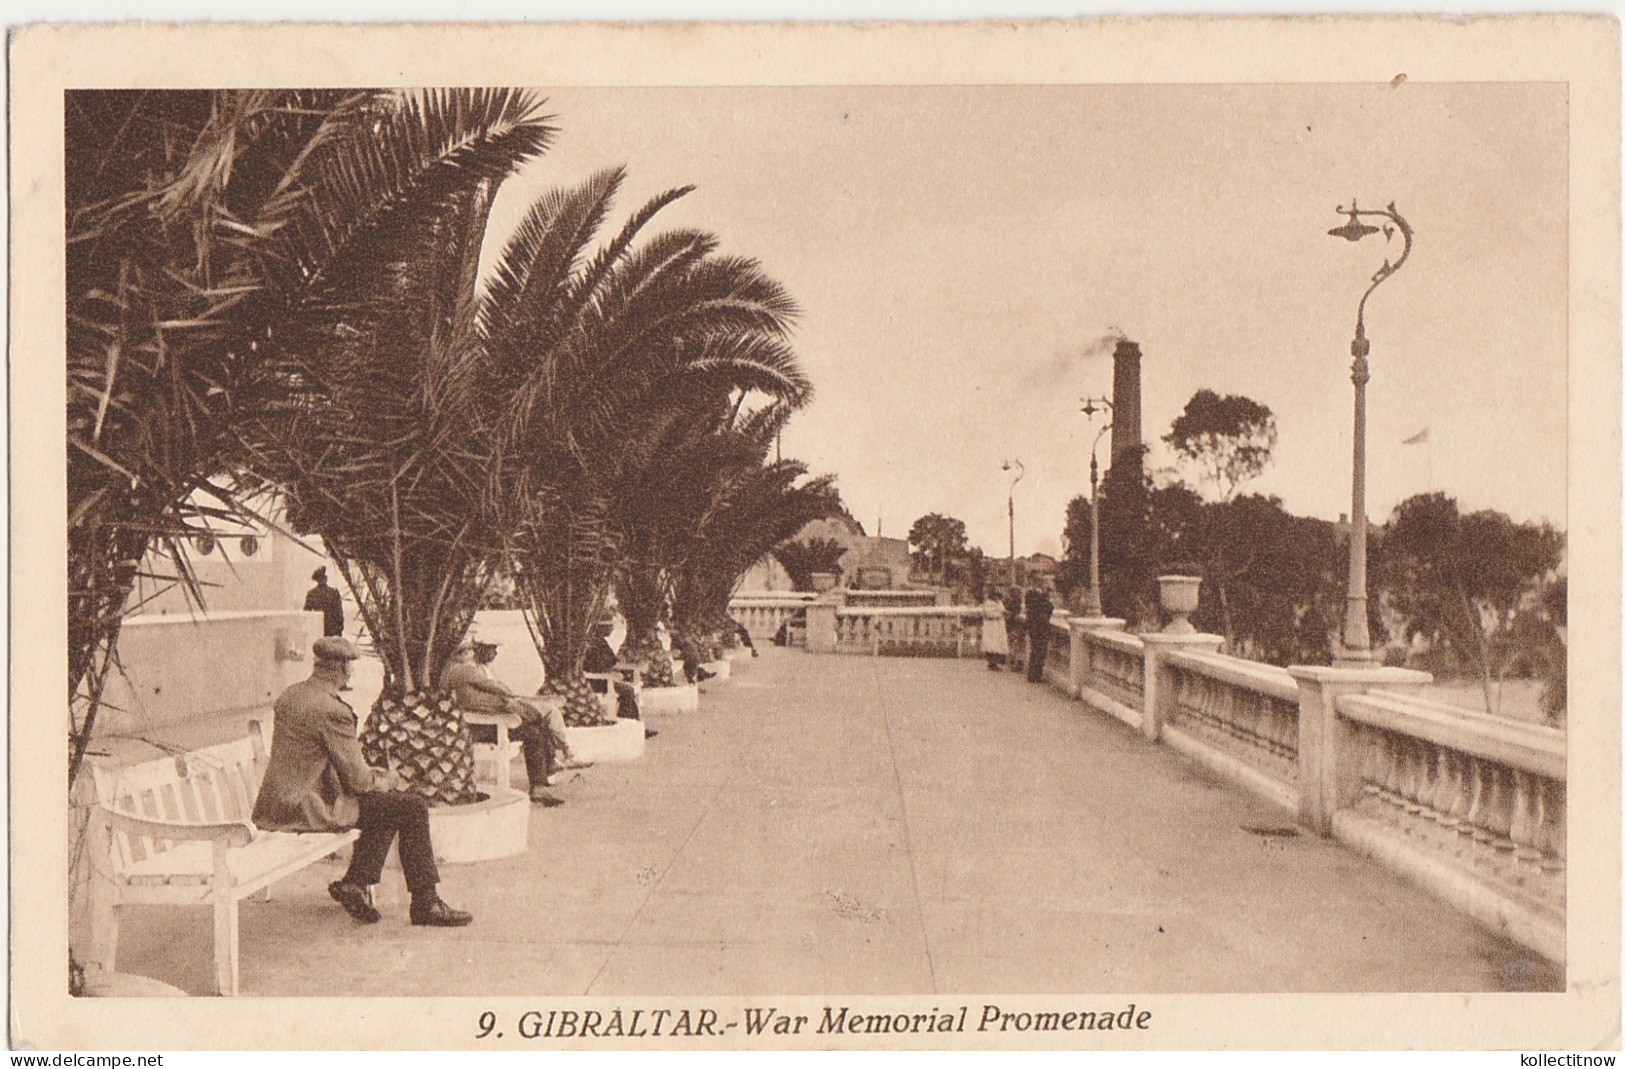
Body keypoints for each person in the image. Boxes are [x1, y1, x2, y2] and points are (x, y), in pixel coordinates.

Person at [251, 637, 471, 927]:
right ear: (342, 668)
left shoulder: (291, 695)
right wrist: (386, 778)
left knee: (388, 807)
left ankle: (357, 882)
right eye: (349, 668)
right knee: (412, 806)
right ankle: (425, 903)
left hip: (277, 802)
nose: (350, 674)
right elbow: (360, 782)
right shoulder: (331, 710)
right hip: (306, 807)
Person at [443, 641, 588, 807]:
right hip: (486, 726)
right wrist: (505, 698)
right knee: (535, 728)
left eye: (470, 650)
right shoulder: (464, 670)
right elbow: (497, 688)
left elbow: (492, 690)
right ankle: (542, 780)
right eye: (467, 650)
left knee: (536, 726)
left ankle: (543, 777)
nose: (470, 653)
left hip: (488, 722)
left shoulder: (457, 669)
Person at [584, 621, 653, 738]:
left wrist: (633, 666)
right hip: (597, 681)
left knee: (629, 689)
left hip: (607, 679)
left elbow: (613, 662)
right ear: (600, 627)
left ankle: (632, 724)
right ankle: (629, 724)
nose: (612, 629)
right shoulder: (591, 644)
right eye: (609, 626)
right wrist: (611, 674)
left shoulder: (601, 642)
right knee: (627, 690)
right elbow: (594, 668)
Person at [1023, 584, 1056, 684]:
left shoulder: (1033, 606)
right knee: (1040, 653)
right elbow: (1047, 614)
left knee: (1035, 652)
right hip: (1041, 631)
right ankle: (1036, 675)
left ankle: (1032, 675)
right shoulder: (1044, 605)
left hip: (1033, 631)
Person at [303, 566, 345, 638]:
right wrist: (339, 630)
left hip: (318, 631)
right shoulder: (334, 592)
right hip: (333, 631)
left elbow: (306, 614)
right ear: (325, 578)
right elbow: (339, 614)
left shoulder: (312, 594)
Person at [980, 590, 1010, 671]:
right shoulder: (988, 603)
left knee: (999, 644)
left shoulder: (999, 602)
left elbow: (1002, 610)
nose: (997, 598)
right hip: (991, 625)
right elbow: (989, 614)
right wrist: (1000, 614)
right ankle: (992, 662)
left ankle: (997, 662)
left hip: (999, 625)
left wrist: (1004, 612)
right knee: (991, 644)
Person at [1002, 588, 1026, 673]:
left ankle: (1014, 662)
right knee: (1015, 644)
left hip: (1012, 625)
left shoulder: (1012, 602)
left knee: (1013, 644)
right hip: (1014, 625)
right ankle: (1015, 662)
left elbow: (1011, 613)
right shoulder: (1015, 602)